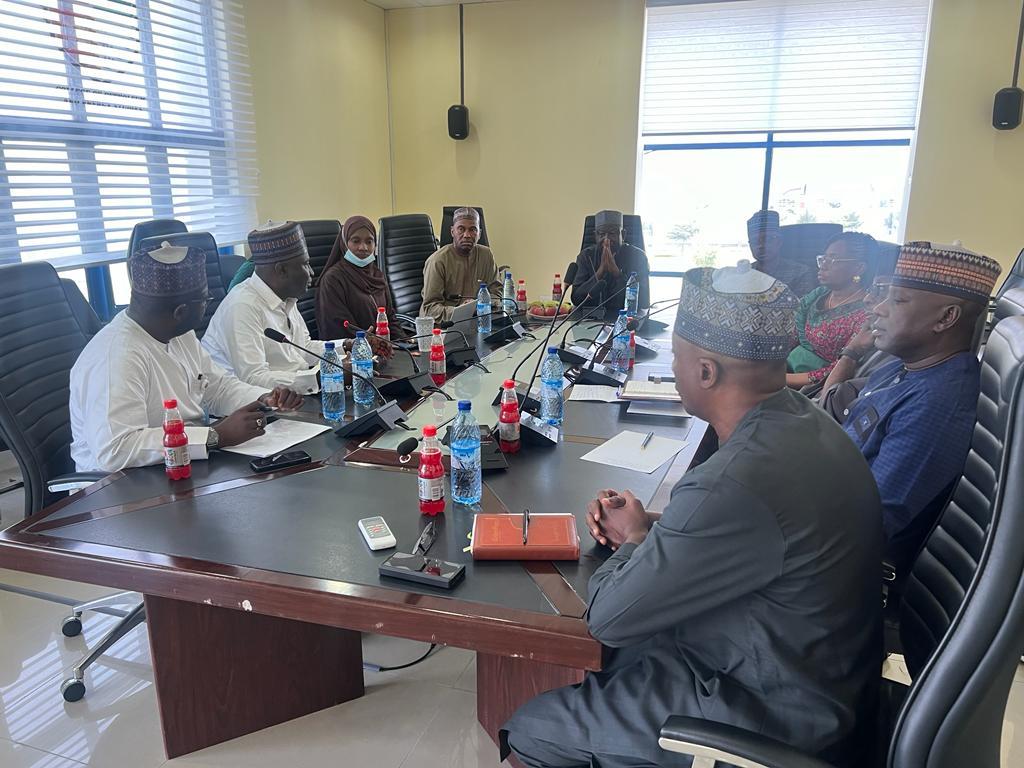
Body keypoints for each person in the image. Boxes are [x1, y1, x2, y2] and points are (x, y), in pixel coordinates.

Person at [502, 262, 882, 768]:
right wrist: (653, 526)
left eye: (676, 357)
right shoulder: (807, 421)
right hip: (819, 674)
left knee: (533, 727)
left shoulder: (734, 480)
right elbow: (752, 530)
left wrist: (636, 539)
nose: (672, 369)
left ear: (706, 372)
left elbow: (609, 619)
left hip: (774, 710)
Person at [837, 241, 1001, 577]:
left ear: (946, 317)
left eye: (897, 300)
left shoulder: (937, 404)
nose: (878, 309)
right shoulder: (903, 368)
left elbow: (864, 525)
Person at [70, 241, 304, 473]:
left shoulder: (180, 334)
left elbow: (218, 388)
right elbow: (116, 449)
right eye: (205, 300)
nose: (207, 305)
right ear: (180, 312)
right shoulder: (116, 356)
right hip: (121, 485)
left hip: (181, 463)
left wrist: (264, 398)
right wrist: (215, 436)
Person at [786, 232, 876, 388]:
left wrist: (780, 380)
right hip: (785, 369)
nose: (823, 265)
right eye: (823, 258)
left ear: (859, 268)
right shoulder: (818, 295)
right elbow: (791, 335)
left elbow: (840, 368)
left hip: (816, 388)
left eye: (833, 259)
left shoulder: (866, 314)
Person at [817, 275, 897, 413]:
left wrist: (851, 352)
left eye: (881, 290)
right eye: (871, 290)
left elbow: (827, 407)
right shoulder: (872, 338)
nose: (867, 299)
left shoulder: (893, 359)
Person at [316, 216, 398, 339]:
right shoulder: (333, 279)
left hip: (386, 345)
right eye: (356, 241)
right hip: (355, 347)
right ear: (344, 243)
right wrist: (370, 342)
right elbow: (339, 328)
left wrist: (406, 344)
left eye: (369, 242)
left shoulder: (377, 275)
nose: (363, 247)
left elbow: (390, 317)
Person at [420, 207, 501, 322]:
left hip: (479, 321)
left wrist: (481, 305)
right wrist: (463, 311)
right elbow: (430, 309)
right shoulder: (437, 261)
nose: (467, 235)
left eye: (472, 229)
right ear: (452, 232)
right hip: (445, 325)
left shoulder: (486, 255)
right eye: (461, 229)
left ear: (479, 234)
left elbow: (496, 292)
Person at [571, 209, 650, 320]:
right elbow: (576, 299)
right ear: (595, 235)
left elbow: (643, 302)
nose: (606, 239)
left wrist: (617, 273)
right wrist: (600, 272)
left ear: (623, 234)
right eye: (601, 234)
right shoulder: (585, 256)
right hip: (589, 320)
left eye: (612, 233)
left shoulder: (638, 257)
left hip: (627, 321)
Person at [747, 209, 818, 298]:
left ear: (779, 241)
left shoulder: (800, 273)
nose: (761, 245)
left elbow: (804, 305)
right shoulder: (745, 273)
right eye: (755, 241)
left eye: (768, 239)